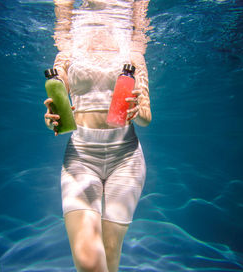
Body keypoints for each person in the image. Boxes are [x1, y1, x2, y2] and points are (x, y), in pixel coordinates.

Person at [43, 0, 151, 271]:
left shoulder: (134, 53)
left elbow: (147, 117)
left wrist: (139, 109)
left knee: (111, 256)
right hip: (80, 157)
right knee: (89, 261)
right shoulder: (68, 49)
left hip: (125, 158)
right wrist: (52, 118)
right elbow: (58, 93)